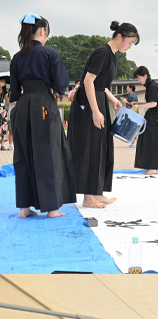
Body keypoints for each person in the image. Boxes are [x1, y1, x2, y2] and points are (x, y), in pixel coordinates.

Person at [10, 13, 76, 219]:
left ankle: (24, 208)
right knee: (48, 152)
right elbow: (60, 85)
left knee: (22, 155)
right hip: (43, 106)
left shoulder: (16, 57)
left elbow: (13, 93)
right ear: (42, 31)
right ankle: (51, 208)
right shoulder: (50, 54)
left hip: (22, 106)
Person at [69, 21, 138, 209]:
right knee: (90, 148)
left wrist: (113, 99)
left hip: (99, 99)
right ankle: (88, 197)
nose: (130, 47)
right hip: (87, 104)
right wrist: (95, 110)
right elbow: (88, 81)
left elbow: (102, 85)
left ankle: (97, 191)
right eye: (130, 42)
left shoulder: (114, 56)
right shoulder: (102, 52)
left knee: (102, 147)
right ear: (119, 37)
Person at [130, 67, 158, 175]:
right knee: (153, 141)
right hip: (155, 117)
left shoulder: (152, 86)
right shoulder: (151, 86)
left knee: (151, 141)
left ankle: (152, 168)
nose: (139, 81)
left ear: (146, 76)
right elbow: (151, 102)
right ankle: (157, 168)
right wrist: (137, 104)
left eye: (140, 78)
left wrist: (138, 106)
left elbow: (153, 104)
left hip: (156, 118)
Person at [122, 83, 138, 148]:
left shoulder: (133, 95)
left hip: (132, 112)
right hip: (132, 112)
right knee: (131, 127)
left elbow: (134, 103)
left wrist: (126, 102)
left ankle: (134, 141)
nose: (127, 89)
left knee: (132, 127)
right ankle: (133, 142)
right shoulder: (132, 95)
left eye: (128, 88)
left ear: (131, 88)